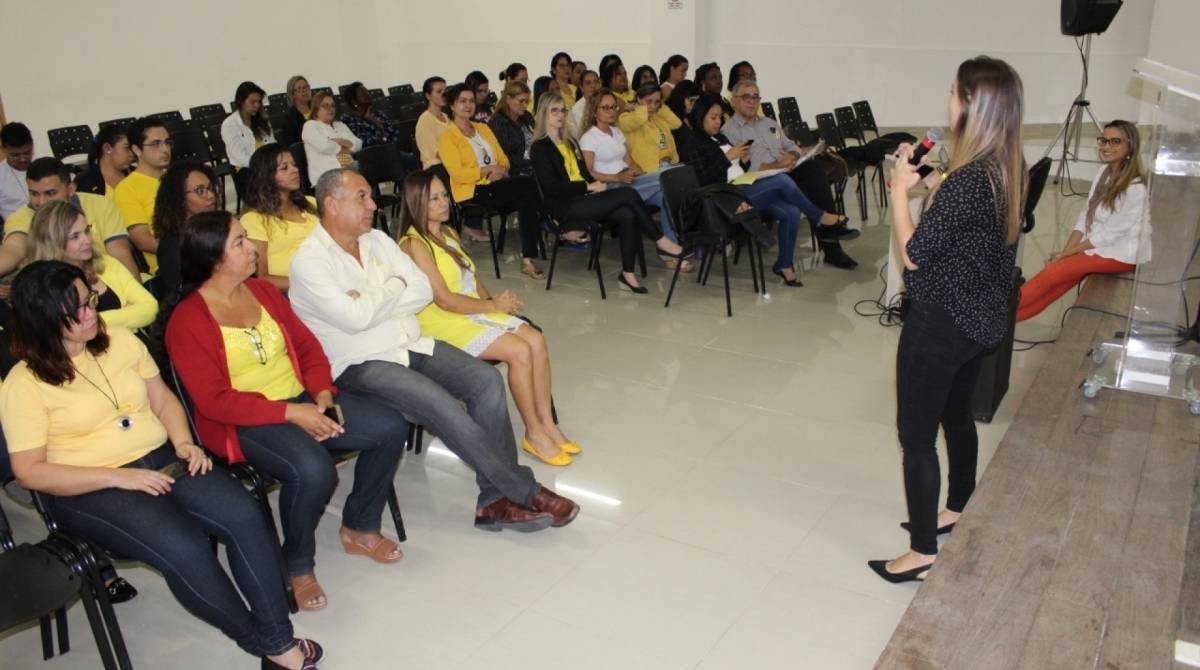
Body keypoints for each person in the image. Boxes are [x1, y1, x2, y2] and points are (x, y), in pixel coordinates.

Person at [2, 260, 322, 670]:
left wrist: (184, 442)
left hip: (161, 458)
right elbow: (31, 472)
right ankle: (269, 644)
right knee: (184, 548)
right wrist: (121, 477)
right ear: (44, 321)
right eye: (78, 310)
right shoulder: (24, 385)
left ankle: (277, 640)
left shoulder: (118, 340)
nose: (91, 313)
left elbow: (163, 399)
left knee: (243, 514)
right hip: (89, 487)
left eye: (90, 300)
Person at [287, 168, 580, 532]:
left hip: (410, 342)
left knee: (485, 379)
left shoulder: (377, 239)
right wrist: (395, 287)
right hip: (361, 362)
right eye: (362, 197)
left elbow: (422, 292)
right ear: (331, 205)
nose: (373, 205)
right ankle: (524, 489)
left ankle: (492, 501)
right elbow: (356, 319)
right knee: (440, 403)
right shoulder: (310, 261)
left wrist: (377, 296)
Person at [165, 210, 408, 612]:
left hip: (300, 400)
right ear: (213, 259)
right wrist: (293, 414)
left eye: (247, 239)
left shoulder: (261, 292)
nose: (252, 250)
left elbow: (309, 348)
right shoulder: (188, 319)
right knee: (313, 469)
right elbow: (214, 400)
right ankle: (297, 563)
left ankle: (359, 525)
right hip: (242, 422)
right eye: (240, 243)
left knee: (389, 426)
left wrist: (323, 395)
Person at [869, 56, 1026, 584]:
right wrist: (931, 179)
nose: (948, 97)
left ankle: (920, 552)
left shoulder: (967, 182)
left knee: (915, 434)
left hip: (941, 321)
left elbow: (914, 254)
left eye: (954, 91)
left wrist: (898, 190)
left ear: (970, 104)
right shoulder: (1004, 167)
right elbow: (966, 220)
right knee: (955, 417)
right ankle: (958, 504)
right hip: (978, 321)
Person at [398, 171, 579, 465]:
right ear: (416, 202)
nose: (444, 202)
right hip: (441, 322)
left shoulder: (447, 233)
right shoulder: (414, 244)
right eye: (434, 198)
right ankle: (533, 434)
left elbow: (471, 278)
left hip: (468, 310)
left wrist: (495, 302)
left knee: (536, 339)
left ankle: (548, 424)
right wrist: (492, 306)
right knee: (519, 350)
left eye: (444, 195)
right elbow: (443, 299)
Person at [682, 96, 855, 285]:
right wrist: (730, 158)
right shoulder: (696, 142)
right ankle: (818, 216)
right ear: (700, 117)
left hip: (744, 184)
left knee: (791, 211)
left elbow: (741, 166)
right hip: (723, 198)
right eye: (713, 118)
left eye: (719, 117)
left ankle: (784, 265)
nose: (718, 122)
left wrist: (744, 161)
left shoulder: (754, 128)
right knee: (781, 180)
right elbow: (702, 180)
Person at [533, 92, 683, 293]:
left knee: (627, 213)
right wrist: (589, 187)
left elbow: (586, 173)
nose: (560, 115)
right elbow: (552, 187)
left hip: (585, 198)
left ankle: (627, 275)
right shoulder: (540, 148)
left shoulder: (570, 143)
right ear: (543, 114)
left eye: (563, 110)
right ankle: (662, 241)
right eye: (554, 111)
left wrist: (595, 184)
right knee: (627, 195)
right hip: (564, 206)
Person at [1017, 120, 1149, 321]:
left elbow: (1107, 236)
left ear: (1130, 145)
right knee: (1056, 283)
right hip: (1098, 245)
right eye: (1103, 141)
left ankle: (993, 318)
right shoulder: (1103, 173)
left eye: (1115, 142)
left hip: (1119, 253)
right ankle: (1001, 326)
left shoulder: (1135, 188)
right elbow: (1084, 217)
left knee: (1052, 275)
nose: (1106, 147)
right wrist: (1065, 252)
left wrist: (1066, 255)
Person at [722, 79, 861, 269]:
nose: (752, 102)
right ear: (734, 101)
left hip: (786, 172)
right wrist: (777, 164)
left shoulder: (769, 124)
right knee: (806, 184)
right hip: (764, 182)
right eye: (746, 97)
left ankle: (829, 234)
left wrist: (793, 155)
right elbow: (745, 170)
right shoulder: (730, 131)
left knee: (813, 169)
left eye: (756, 97)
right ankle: (831, 234)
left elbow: (790, 145)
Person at [438, 83, 545, 279]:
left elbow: (502, 157)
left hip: (498, 184)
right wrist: (487, 171)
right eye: (462, 101)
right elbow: (458, 174)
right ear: (452, 106)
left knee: (527, 198)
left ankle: (528, 260)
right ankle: (554, 221)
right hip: (473, 191)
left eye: (471, 101)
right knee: (530, 185)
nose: (468, 105)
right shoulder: (447, 137)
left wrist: (502, 170)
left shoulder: (483, 128)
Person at [580, 89, 686, 265]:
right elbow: (589, 173)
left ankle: (669, 249)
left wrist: (639, 173)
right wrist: (618, 178)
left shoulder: (616, 132)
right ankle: (670, 247)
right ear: (594, 111)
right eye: (605, 108)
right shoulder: (589, 138)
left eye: (613, 107)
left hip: (628, 181)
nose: (611, 111)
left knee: (666, 195)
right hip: (609, 188)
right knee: (668, 176)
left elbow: (631, 162)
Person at [1, 157, 140, 281]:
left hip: (111, 285)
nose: (42, 202)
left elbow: (121, 255)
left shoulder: (100, 204)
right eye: (34, 194)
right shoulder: (21, 217)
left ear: (71, 189)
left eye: (50, 193)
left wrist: (137, 297)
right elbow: (13, 250)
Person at [28, 200, 157, 330]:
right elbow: (63, 330)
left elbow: (151, 307)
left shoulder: (106, 263)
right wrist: (128, 315)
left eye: (87, 231)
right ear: (53, 244)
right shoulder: (43, 289)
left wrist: (94, 320)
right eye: (75, 237)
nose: (87, 240)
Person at [241, 144, 320, 292]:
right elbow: (261, 277)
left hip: (331, 274)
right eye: (284, 168)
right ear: (265, 175)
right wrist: (310, 286)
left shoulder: (310, 203)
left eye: (294, 165)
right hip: (293, 291)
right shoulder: (254, 219)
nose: (295, 170)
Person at [152, 161, 219, 299]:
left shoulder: (221, 229)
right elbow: (182, 295)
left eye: (211, 188)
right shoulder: (172, 245)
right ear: (180, 198)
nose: (211, 195)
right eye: (200, 191)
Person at [114, 116, 172, 274]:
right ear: (137, 150)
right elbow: (143, 241)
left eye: (167, 142)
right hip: (168, 265)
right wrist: (185, 252)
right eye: (156, 144)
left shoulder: (177, 177)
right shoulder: (127, 189)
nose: (165, 149)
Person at [302, 91, 362, 186]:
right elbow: (325, 146)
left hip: (348, 168)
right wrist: (347, 148)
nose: (331, 109)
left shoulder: (340, 125)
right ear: (316, 109)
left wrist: (340, 141)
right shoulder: (310, 126)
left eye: (333, 105)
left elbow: (358, 144)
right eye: (326, 106)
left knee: (368, 165)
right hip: (326, 175)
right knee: (363, 168)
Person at [221, 81, 276, 172]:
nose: (257, 105)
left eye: (259, 102)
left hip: (267, 166)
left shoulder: (263, 120)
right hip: (246, 170)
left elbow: (272, 144)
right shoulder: (229, 125)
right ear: (241, 101)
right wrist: (262, 166)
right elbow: (239, 156)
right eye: (252, 102)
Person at [487, 81, 535, 177]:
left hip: (534, 166)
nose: (525, 105)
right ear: (508, 99)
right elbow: (505, 157)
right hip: (517, 173)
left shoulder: (527, 116)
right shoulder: (498, 124)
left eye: (527, 102)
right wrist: (530, 164)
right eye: (521, 101)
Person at [74, 124, 133, 198]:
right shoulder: (84, 181)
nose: (132, 154)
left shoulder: (137, 174)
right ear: (107, 148)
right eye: (127, 148)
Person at [0, 122, 33, 219]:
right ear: (3, 150)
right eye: (15, 155)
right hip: (15, 228)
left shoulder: (45, 166)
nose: (22, 159)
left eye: (27, 153)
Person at [415, 76, 449, 168]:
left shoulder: (446, 117)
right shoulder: (425, 120)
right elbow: (434, 153)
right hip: (436, 168)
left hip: (451, 164)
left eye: (445, 91)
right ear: (428, 96)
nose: (444, 94)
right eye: (439, 92)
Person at [566, 69, 601, 141]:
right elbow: (582, 136)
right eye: (588, 83)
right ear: (581, 88)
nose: (593, 86)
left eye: (596, 82)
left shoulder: (605, 101)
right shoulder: (577, 109)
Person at [282, 75, 313, 144]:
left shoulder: (318, 108)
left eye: (306, 87)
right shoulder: (289, 117)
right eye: (299, 88)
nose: (304, 91)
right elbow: (292, 144)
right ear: (292, 94)